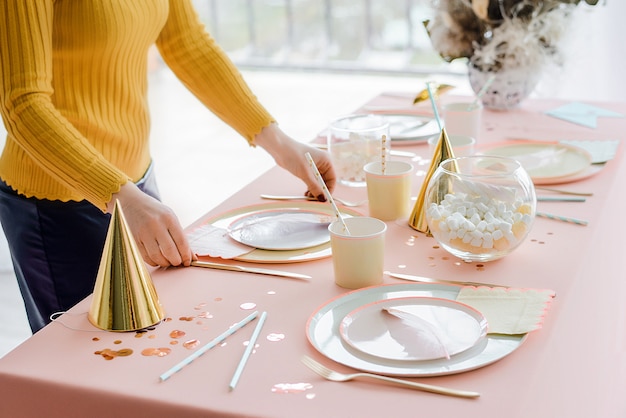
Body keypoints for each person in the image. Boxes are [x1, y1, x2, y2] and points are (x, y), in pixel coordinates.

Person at [0, 1, 336, 333]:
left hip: (135, 185)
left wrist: (280, 144)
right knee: (85, 363)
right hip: (58, 204)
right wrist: (121, 197)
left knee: (148, 345)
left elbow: (187, 43)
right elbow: (23, 103)